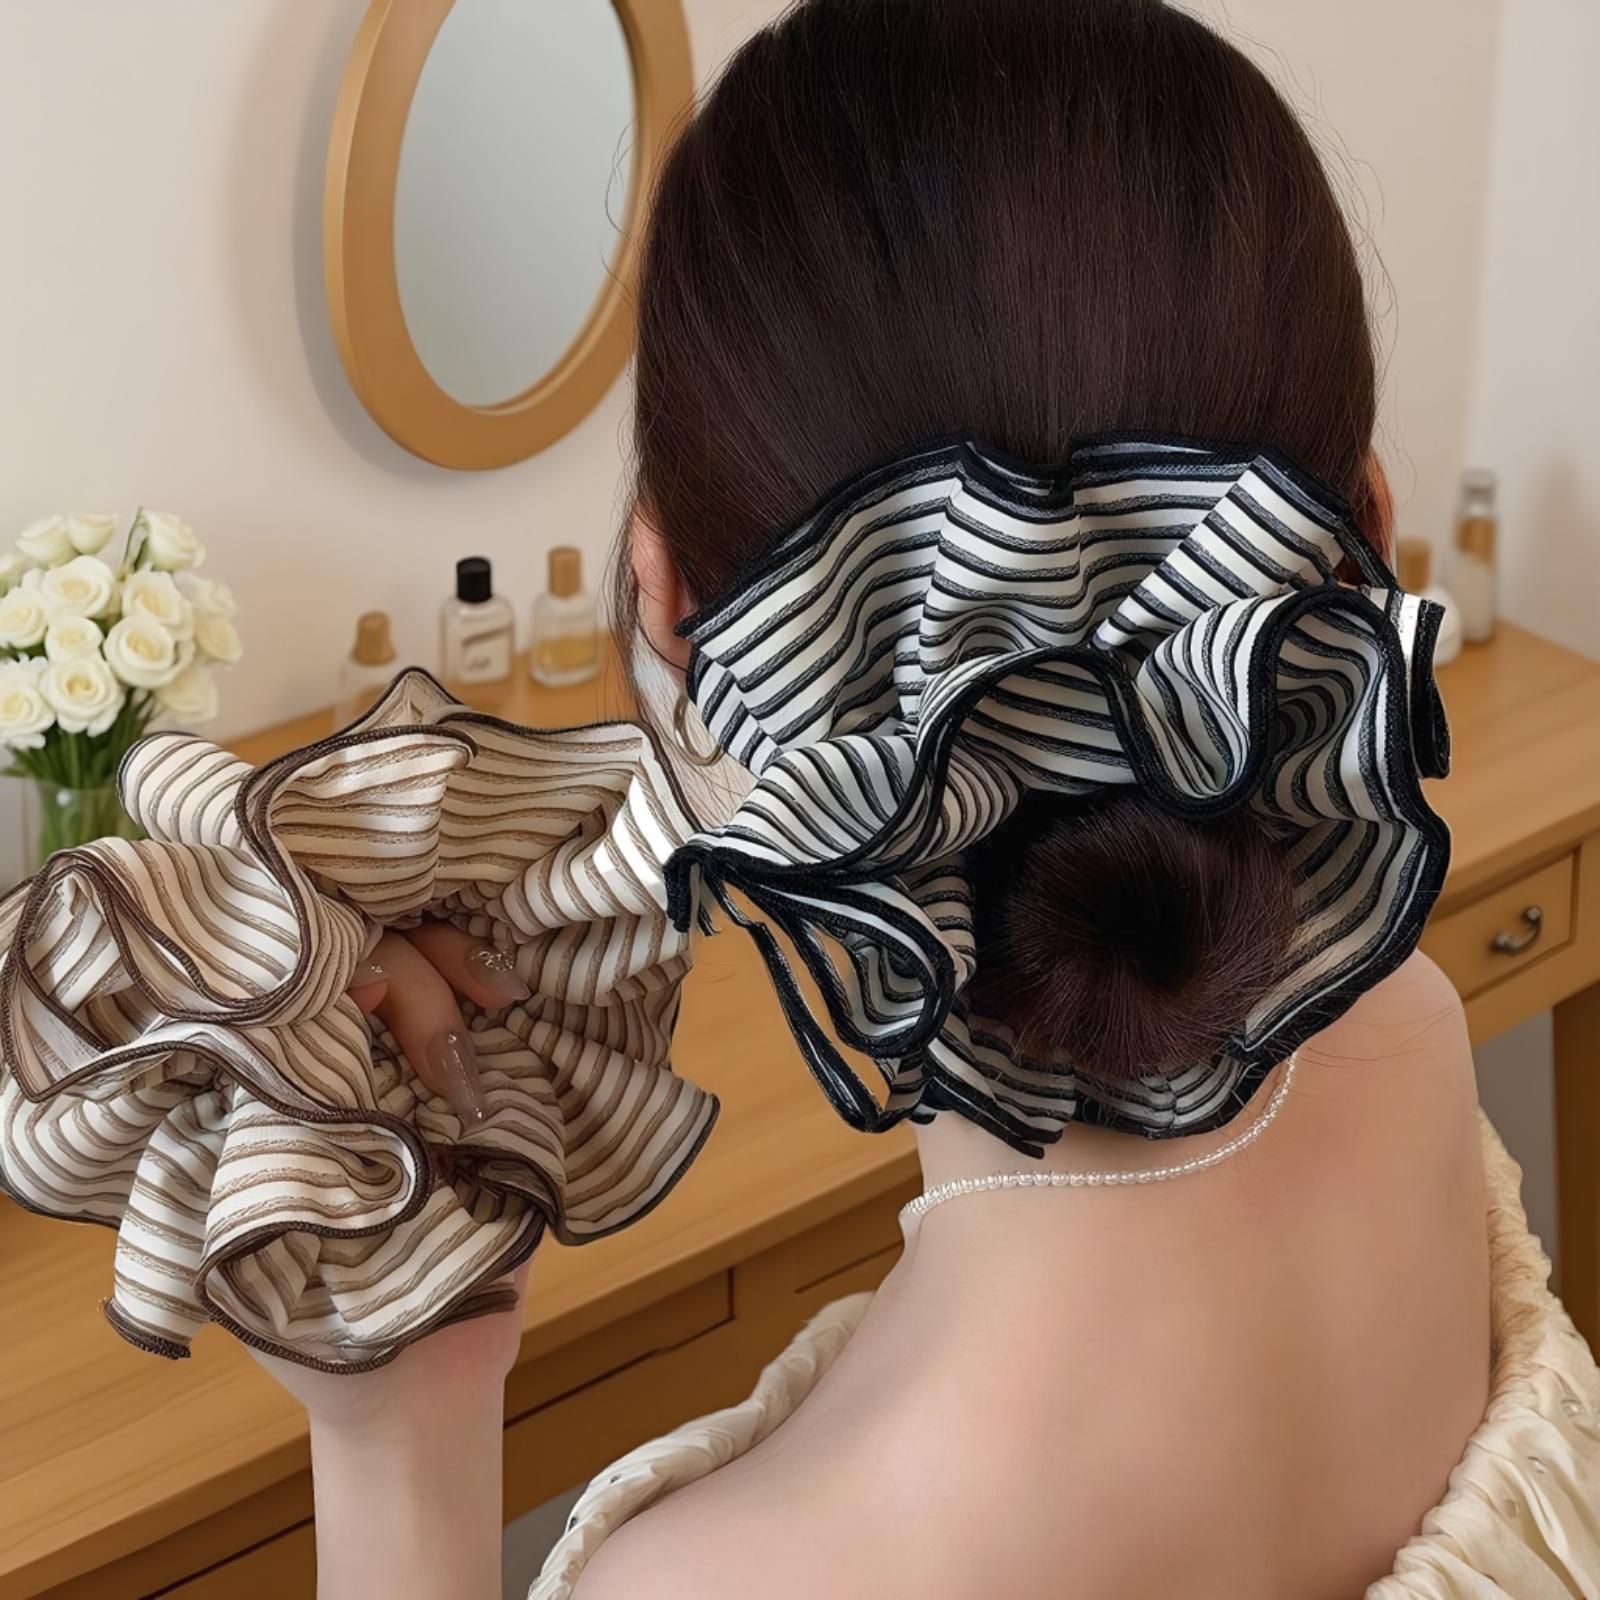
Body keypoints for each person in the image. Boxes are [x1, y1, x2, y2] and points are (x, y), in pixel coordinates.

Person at [258, 2, 1600, 1596]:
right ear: (1359, 536)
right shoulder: (1410, 1038)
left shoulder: (734, 1582)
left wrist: (396, 1440)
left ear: (676, 608)